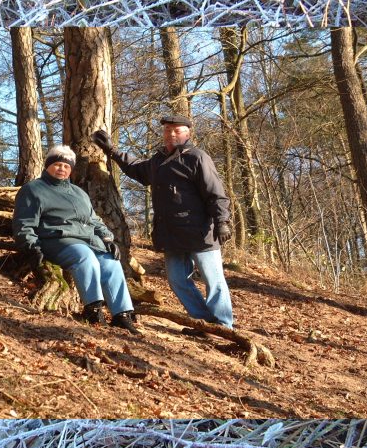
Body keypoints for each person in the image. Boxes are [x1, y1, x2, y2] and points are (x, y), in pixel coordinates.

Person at [92, 115, 234, 333]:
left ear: (188, 133)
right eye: (168, 130)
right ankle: (204, 323)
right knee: (177, 280)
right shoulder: (158, 161)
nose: (172, 134)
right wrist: (112, 151)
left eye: (177, 130)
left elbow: (215, 193)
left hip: (200, 232)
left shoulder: (197, 157)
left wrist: (222, 221)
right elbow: (136, 169)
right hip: (170, 234)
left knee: (213, 281)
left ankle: (224, 326)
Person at [12, 145, 140, 335]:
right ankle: (93, 310)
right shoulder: (33, 189)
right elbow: (24, 223)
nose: (62, 168)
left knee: (111, 263)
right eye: (57, 164)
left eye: (66, 166)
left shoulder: (79, 193)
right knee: (85, 256)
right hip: (57, 239)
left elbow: (94, 220)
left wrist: (107, 239)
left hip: (89, 240)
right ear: (48, 165)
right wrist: (32, 247)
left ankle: (122, 315)